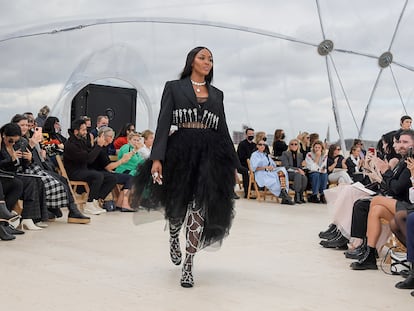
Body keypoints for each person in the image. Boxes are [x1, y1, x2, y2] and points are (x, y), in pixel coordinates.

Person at [131, 46, 237, 288]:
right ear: (191, 62)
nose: (207, 62)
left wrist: (232, 164)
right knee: (178, 207)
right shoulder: (174, 87)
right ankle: (173, 236)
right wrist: (157, 158)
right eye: (202, 57)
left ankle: (189, 263)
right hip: (180, 151)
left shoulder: (217, 94)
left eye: (211, 58)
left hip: (209, 153)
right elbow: (163, 122)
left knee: (200, 207)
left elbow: (223, 130)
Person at [64, 119, 117, 215]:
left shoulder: (81, 141)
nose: (85, 132)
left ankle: (95, 200)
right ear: (76, 131)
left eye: (86, 130)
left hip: (83, 170)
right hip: (74, 172)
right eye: (83, 130)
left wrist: (98, 145)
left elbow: (90, 152)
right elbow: (88, 159)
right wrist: (99, 146)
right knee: (97, 176)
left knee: (112, 177)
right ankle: (89, 203)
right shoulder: (71, 144)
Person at [88, 126, 135, 212]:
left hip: (104, 171)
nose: (112, 138)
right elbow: (108, 166)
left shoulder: (106, 147)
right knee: (125, 178)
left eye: (113, 136)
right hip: (98, 173)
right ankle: (100, 199)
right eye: (110, 136)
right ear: (103, 136)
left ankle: (121, 203)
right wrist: (122, 161)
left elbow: (106, 165)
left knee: (130, 177)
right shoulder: (99, 148)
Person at [250, 140, 294, 205]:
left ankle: (284, 192)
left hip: (269, 172)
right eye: (260, 144)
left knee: (282, 170)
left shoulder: (265, 154)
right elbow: (254, 168)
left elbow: (272, 164)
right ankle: (283, 196)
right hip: (260, 173)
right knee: (274, 180)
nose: (262, 146)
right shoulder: (254, 155)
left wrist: (271, 167)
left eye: (263, 145)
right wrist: (265, 167)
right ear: (257, 146)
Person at [280, 139, 308, 203]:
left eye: (295, 144)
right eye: (291, 144)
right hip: (288, 173)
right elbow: (286, 166)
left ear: (298, 146)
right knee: (298, 175)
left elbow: (300, 167)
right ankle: (296, 195)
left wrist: (302, 169)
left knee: (304, 177)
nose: (293, 145)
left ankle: (300, 195)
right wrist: (297, 170)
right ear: (289, 145)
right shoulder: (285, 153)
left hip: (297, 173)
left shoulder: (300, 155)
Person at [237, 128, 256, 198]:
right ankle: (247, 192)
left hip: (252, 165)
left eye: (252, 134)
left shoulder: (255, 145)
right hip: (241, 165)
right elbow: (241, 157)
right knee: (246, 172)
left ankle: (256, 190)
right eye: (249, 134)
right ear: (246, 135)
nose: (251, 135)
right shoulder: (242, 144)